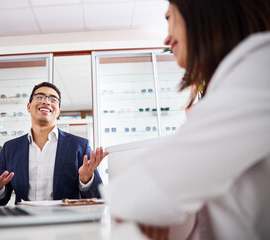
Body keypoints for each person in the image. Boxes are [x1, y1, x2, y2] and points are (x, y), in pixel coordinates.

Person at [102, 0, 270, 240]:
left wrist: (153, 203)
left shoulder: (258, 70)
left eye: (170, 19)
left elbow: (139, 193)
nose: (167, 40)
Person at [0, 82, 108, 206]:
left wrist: (86, 179)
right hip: (25, 225)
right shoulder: (10, 148)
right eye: (40, 97)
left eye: (53, 99)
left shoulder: (79, 145)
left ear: (58, 111)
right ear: (29, 106)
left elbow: (97, 197)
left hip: (66, 224)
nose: (46, 101)